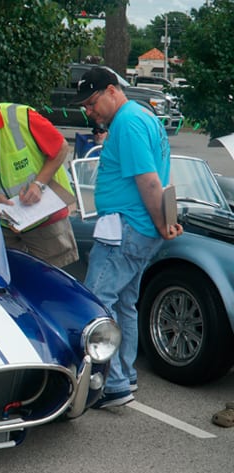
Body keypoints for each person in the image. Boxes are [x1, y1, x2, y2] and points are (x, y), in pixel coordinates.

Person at [72, 66, 183, 408]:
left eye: (92, 103)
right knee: (124, 303)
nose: (89, 112)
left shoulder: (128, 123)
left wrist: (161, 223)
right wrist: (162, 223)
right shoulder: (141, 116)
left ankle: (113, 384)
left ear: (110, 90)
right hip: (137, 227)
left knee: (97, 303)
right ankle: (126, 374)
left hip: (125, 230)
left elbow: (149, 181)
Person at [0, 88, 79, 268]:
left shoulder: (19, 117)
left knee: (54, 284)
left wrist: (38, 185)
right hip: (6, 223)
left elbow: (60, 148)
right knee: (9, 283)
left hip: (45, 218)